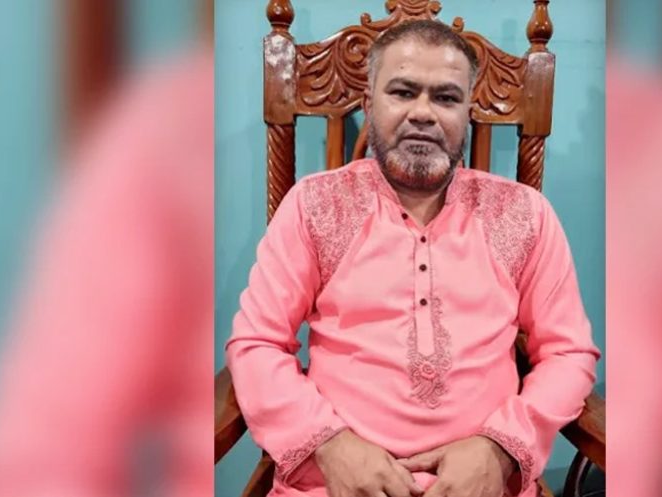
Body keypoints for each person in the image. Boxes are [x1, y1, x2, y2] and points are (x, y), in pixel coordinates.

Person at [226, 20, 599, 497]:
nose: (423, 113)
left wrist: (500, 449)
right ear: (369, 105)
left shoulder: (525, 214)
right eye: (402, 92)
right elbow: (256, 343)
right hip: (335, 483)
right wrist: (329, 445)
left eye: (445, 98)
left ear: (466, 112)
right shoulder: (314, 205)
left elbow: (568, 354)